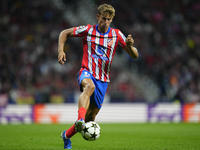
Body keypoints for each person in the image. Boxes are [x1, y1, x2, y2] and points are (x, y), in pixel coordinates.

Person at [58, 4, 138, 149]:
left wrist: (130, 46)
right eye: (103, 18)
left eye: (108, 19)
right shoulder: (88, 30)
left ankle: (66, 135)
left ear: (112, 19)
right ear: (98, 17)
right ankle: (80, 119)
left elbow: (134, 55)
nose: (105, 22)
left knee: (92, 117)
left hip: (104, 80)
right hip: (86, 72)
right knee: (89, 87)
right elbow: (64, 33)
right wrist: (60, 51)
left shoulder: (117, 35)